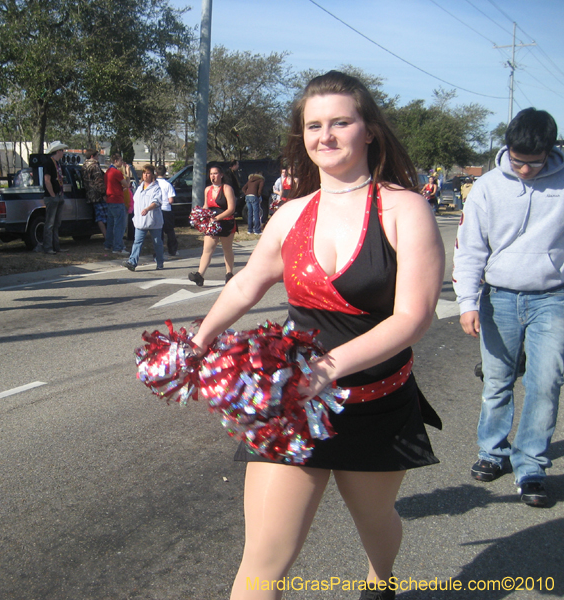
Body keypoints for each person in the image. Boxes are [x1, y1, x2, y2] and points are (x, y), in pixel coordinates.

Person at [189, 71, 444, 600]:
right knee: (262, 561)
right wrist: (198, 340)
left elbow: (413, 317)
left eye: (340, 122)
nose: (325, 136)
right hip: (291, 402)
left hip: (373, 400)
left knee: (376, 525)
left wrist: (324, 371)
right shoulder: (290, 213)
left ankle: (381, 579)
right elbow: (246, 286)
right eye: (313, 126)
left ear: (369, 130)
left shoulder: (403, 208)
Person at [453, 107, 564, 508]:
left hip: (552, 298)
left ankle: (531, 463)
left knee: (545, 382)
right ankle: (493, 452)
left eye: (534, 163)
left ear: (550, 152)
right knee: (497, 380)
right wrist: (467, 302)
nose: (525, 170)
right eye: (518, 161)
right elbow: (470, 248)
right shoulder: (487, 187)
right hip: (498, 297)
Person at [188, 165, 237, 286]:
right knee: (207, 249)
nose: (213, 176)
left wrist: (217, 218)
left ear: (221, 175)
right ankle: (200, 275)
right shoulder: (207, 190)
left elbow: (231, 208)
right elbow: (206, 206)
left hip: (226, 222)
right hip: (212, 224)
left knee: (227, 249)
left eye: (215, 174)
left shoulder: (227, 188)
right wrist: (200, 216)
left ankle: (229, 273)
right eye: (211, 174)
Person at [122, 164, 164, 271]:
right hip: (140, 221)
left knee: (157, 243)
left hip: (153, 221)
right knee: (137, 242)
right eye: (144, 173)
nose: (146, 175)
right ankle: (132, 262)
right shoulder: (139, 188)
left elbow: (156, 202)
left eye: (148, 173)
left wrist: (147, 209)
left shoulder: (156, 188)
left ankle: (160, 262)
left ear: (152, 175)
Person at [42, 141, 69, 255]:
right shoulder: (49, 163)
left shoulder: (58, 163)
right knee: (50, 223)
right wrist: (52, 194)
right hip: (52, 196)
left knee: (56, 223)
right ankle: (48, 247)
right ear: (58, 151)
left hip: (59, 194)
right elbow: (47, 180)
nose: (63, 152)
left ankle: (56, 246)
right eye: (62, 150)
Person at [104, 153, 129, 254]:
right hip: (117, 200)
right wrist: (127, 173)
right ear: (115, 161)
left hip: (110, 200)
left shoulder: (108, 172)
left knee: (110, 224)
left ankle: (108, 244)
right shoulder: (116, 172)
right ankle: (118, 247)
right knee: (119, 225)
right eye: (120, 160)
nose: (122, 163)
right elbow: (127, 184)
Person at [82, 148, 108, 239]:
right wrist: (104, 194)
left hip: (90, 194)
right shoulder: (95, 166)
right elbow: (99, 181)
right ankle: (107, 236)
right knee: (103, 216)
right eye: (97, 156)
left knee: (98, 215)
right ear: (92, 156)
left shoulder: (84, 166)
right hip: (98, 195)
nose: (98, 158)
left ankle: (106, 236)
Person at [156, 165, 178, 256]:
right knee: (169, 231)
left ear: (156, 173)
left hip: (156, 209)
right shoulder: (168, 184)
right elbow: (171, 200)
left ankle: (158, 251)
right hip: (166, 209)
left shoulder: (154, 184)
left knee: (158, 231)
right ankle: (172, 250)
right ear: (165, 173)